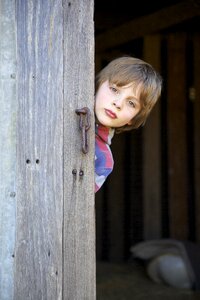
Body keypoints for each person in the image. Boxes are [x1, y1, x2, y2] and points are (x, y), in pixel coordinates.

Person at [95, 56, 162, 193]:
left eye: (131, 103)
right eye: (114, 90)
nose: (118, 104)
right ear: (98, 85)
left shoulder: (103, 162)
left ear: (133, 118)